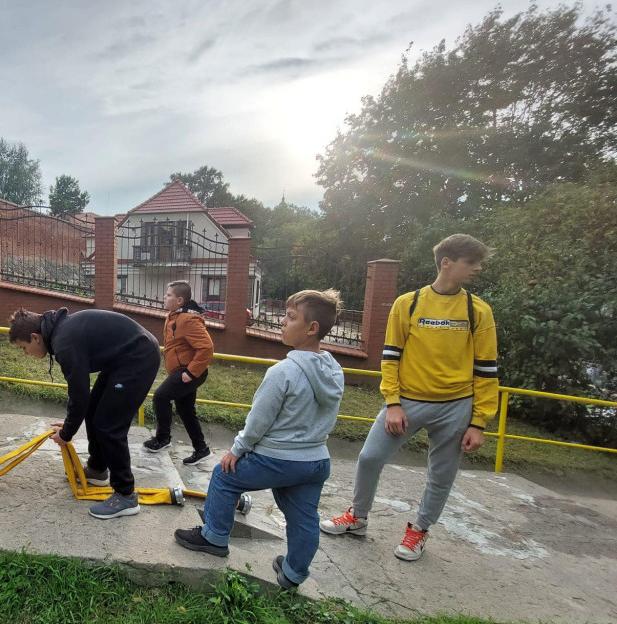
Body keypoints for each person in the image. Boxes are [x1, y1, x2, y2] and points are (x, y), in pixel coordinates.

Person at [320, 234, 499, 562]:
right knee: (370, 458)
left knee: (441, 474)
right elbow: (390, 357)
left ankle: (419, 529)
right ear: (447, 262)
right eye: (470, 262)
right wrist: (393, 403)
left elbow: (486, 370)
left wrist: (479, 422)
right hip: (408, 402)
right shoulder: (409, 304)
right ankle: (357, 517)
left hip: (456, 407)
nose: (477, 268)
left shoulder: (478, 311)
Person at [174, 290, 345, 592]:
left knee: (224, 477)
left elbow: (259, 421)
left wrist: (237, 451)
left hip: (278, 458)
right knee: (304, 516)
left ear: (312, 328)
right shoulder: (333, 370)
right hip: (315, 460)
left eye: (291, 317)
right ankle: (293, 572)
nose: (282, 322)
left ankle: (213, 538)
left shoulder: (284, 372)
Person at [8, 307, 161, 520]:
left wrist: (66, 434)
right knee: (94, 413)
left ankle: (125, 495)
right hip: (121, 360)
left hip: (139, 357)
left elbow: (79, 395)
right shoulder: (60, 332)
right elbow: (83, 400)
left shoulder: (64, 343)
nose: (25, 353)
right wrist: (70, 426)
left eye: (24, 348)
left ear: (35, 338)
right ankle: (97, 470)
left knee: (109, 425)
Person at [143, 280, 214, 466]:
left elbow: (206, 348)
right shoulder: (174, 316)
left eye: (168, 295)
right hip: (181, 370)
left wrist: (191, 373)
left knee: (160, 397)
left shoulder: (188, 320)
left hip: (188, 371)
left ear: (179, 300)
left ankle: (162, 438)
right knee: (186, 411)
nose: (164, 298)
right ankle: (201, 449)